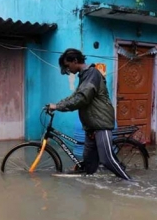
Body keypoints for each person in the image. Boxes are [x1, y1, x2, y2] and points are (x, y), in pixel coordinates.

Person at [49, 48, 131, 180]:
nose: (68, 69)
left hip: (101, 124)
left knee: (107, 160)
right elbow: (74, 96)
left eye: (68, 65)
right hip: (91, 127)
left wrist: (58, 106)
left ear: (75, 61)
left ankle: (132, 183)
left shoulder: (92, 73)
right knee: (89, 165)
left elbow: (82, 98)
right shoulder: (84, 76)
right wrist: (56, 105)